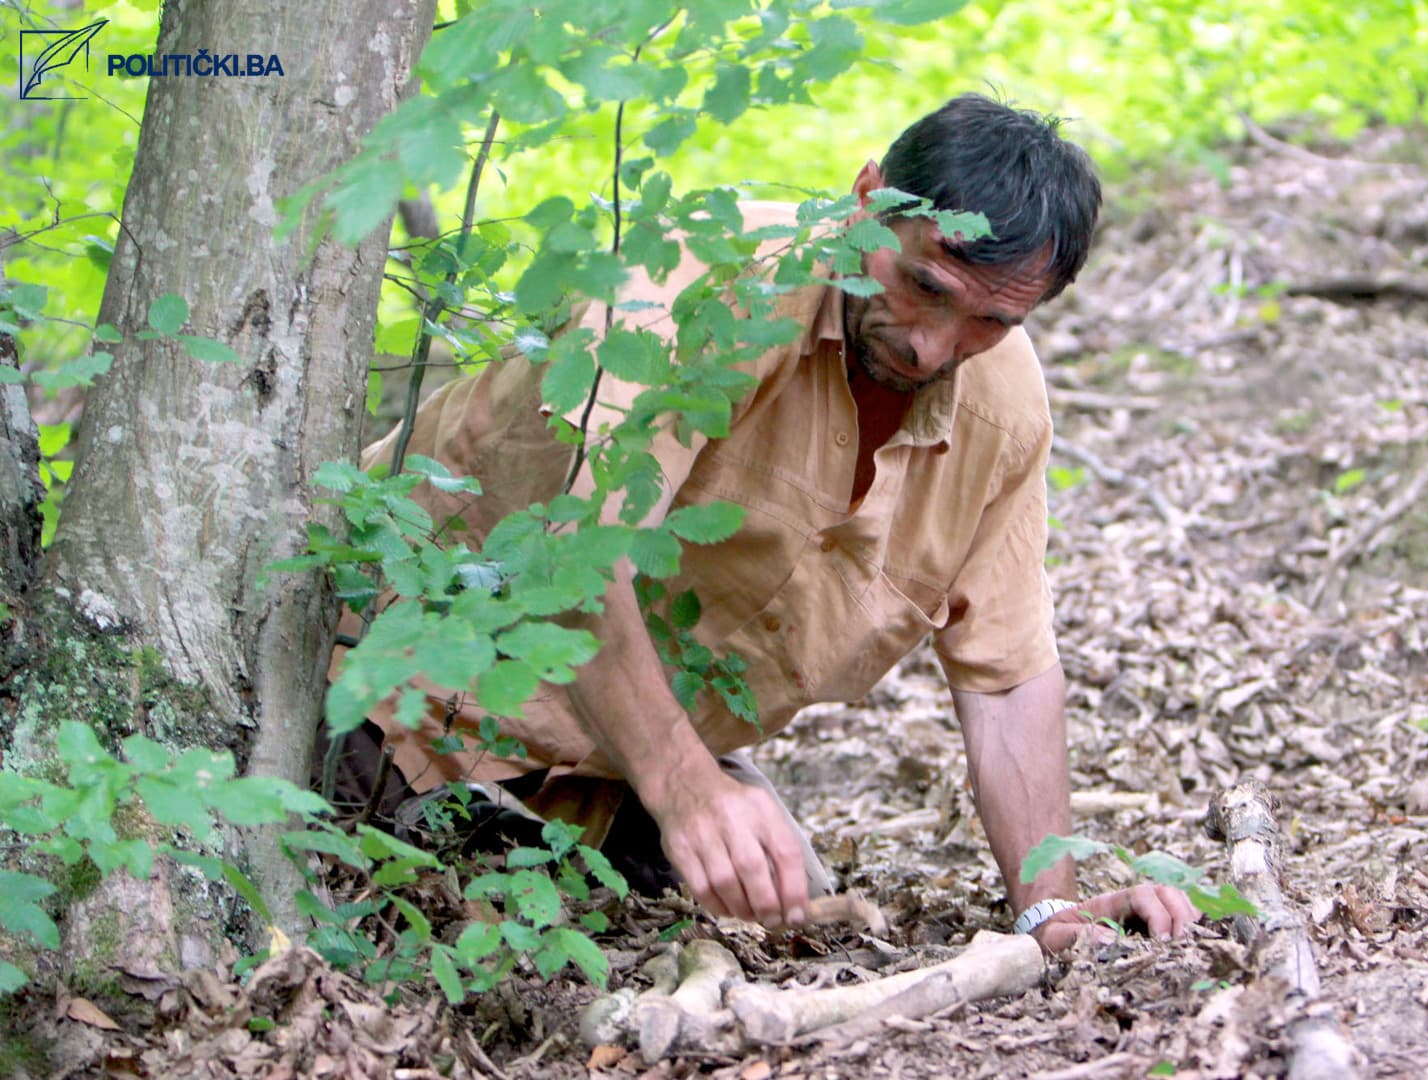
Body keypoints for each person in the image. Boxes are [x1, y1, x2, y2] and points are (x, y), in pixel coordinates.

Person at [329, 94, 1197, 953]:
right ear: (868, 202)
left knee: (787, 930)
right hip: (395, 701)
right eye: (925, 287)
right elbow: (579, 560)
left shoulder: (1001, 410)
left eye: (991, 322)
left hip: (610, 768)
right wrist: (686, 788)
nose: (934, 347)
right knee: (497, 947)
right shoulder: (704, 287)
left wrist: (1052, 912)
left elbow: (1006, 676)